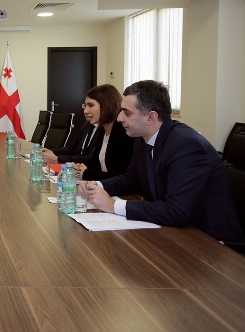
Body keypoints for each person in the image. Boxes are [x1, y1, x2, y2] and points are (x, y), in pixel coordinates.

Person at [80, 80, 243, 241]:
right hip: (173, 231)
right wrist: (97, 186)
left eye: (127, 113)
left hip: (209, 240)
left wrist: (113, 205)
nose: (119, 118)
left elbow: (177, 211)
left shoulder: (186, 145)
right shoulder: (143, 139)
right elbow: (133, 178)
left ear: (151, 117)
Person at [72, 84, 136, 180]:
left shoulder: (123, 132)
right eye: (85, 106)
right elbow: (97, 164)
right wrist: (81, 168)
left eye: (91, 105)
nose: (85, 111)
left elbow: (123, 176)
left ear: (107, 105)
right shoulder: (102, 129)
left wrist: (87, 173)